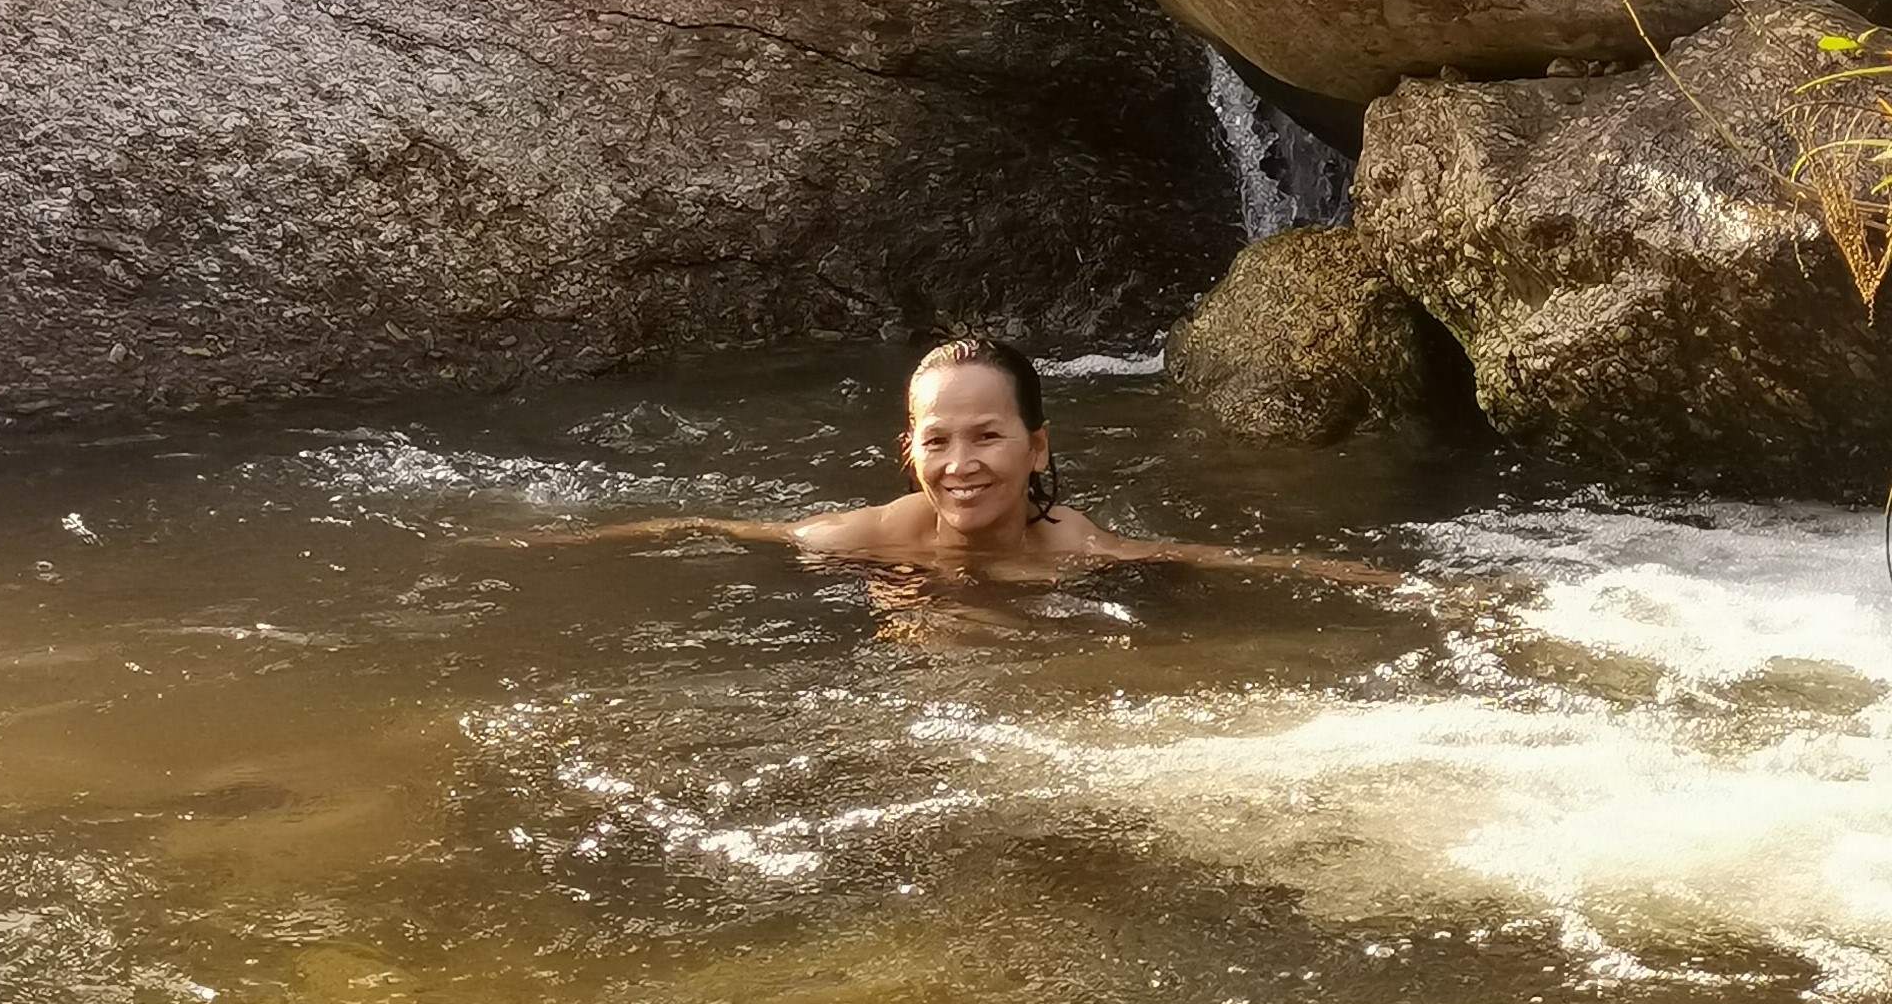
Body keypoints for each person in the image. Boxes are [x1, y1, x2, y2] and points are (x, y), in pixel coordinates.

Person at [510, 335, 1423, 598]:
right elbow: (709, 530)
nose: (960, 464)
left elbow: (1202, 556)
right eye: (936, 441)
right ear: (909, 453)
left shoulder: (1075, 549)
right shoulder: (863, 538)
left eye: (986, 435)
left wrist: (1364, 577)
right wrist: (565, 541)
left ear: (1037, 446)